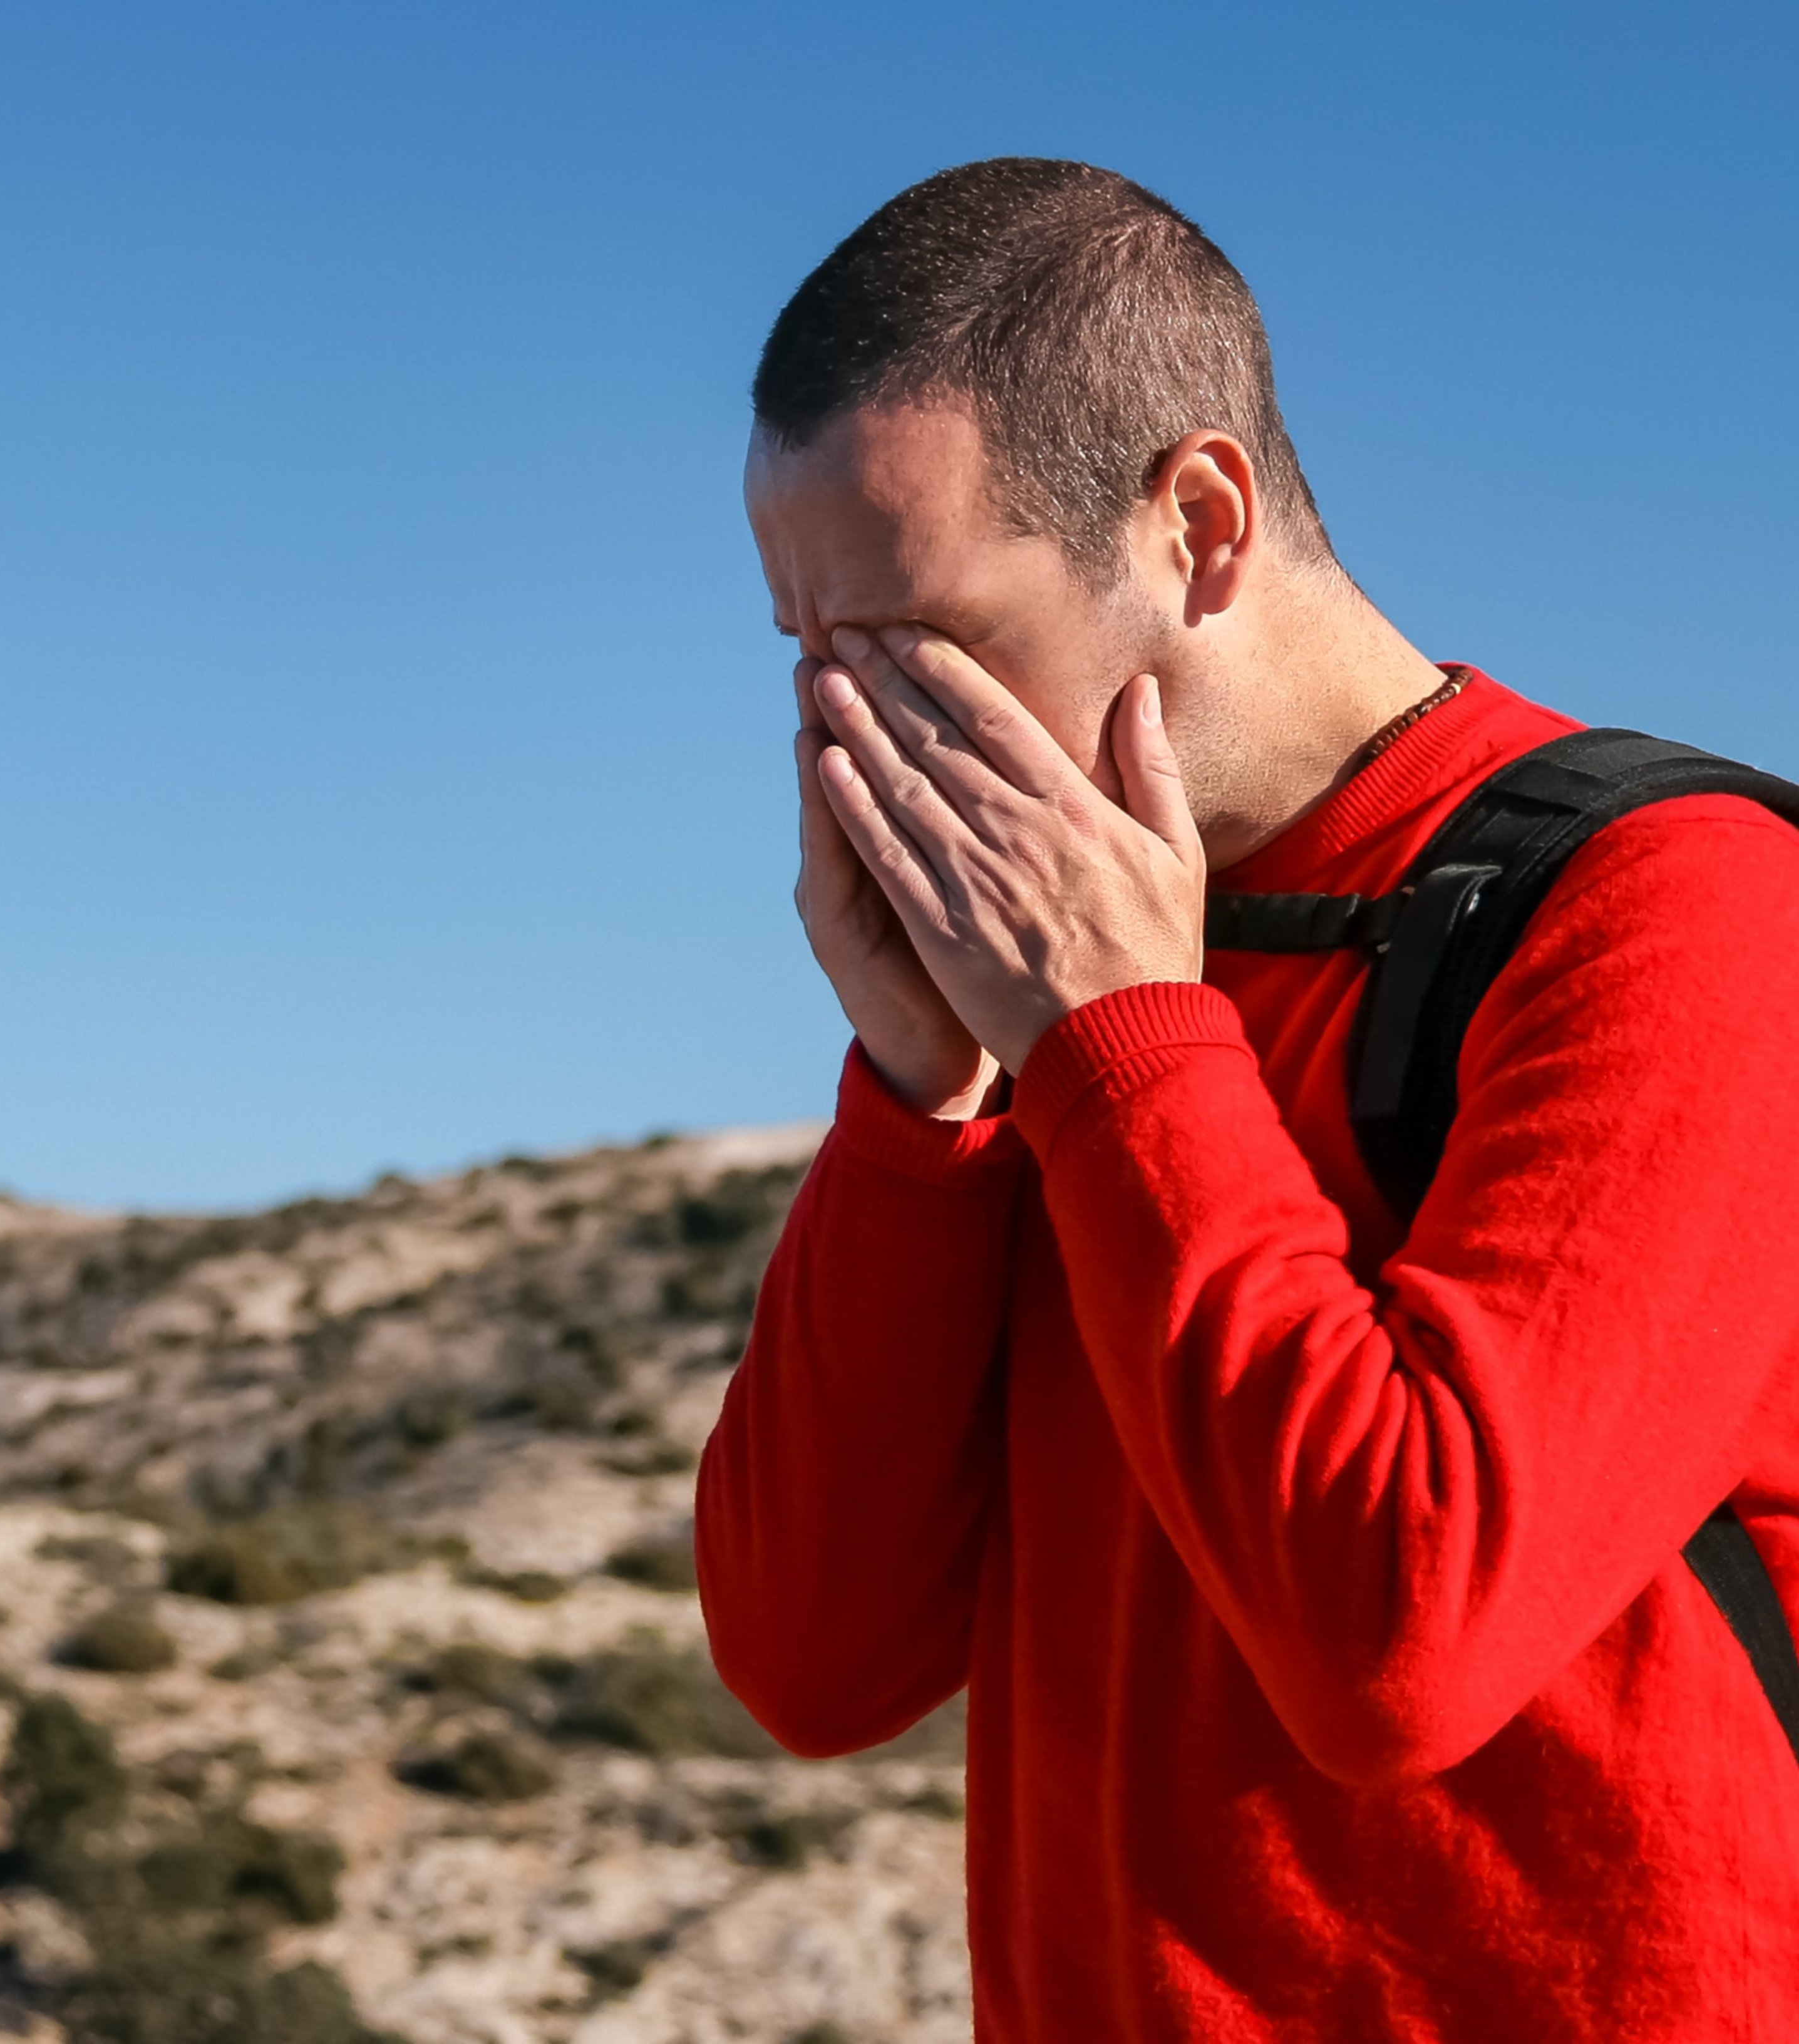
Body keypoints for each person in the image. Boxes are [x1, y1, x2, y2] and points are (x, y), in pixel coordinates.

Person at [693, 157, 1799, 2039]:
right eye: (808, 655)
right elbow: (811, 1660)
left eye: (913, 647)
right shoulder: (1059, 993)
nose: (850, 736)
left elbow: (1398, 1636)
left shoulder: (1682, 907)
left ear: (1198, 524)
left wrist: (1116, 1042)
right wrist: (917, 1100)